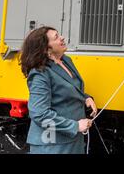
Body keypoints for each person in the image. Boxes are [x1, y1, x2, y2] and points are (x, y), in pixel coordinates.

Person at [20, 26, 98, 154]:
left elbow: (68, 88)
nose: (62, 37)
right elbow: (40, 113)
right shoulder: (40, 74)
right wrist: (75, 126)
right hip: (52, 144)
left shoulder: (66, 60)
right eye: (56, 37)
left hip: (72, 140)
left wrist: (86, 97)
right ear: (46, 49)